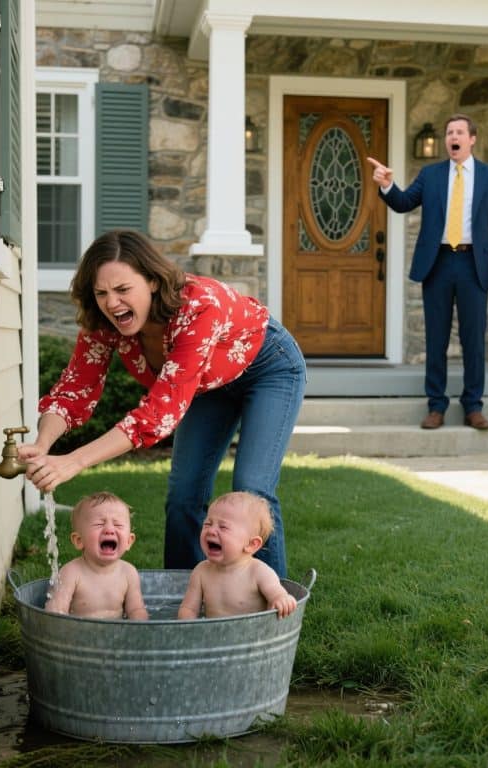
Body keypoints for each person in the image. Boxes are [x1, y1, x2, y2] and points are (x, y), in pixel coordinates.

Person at [19, 229, 306, 578]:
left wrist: (74, 461)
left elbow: (157, 415)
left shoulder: (198, 306)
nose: (112, 303)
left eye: (123, 290)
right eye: (102, 293)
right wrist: (42, 445)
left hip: (268, 368)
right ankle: (184, 602)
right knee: (184, 494)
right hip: (202, 386)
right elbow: (74, 389)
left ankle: (273, 609)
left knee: (251, 490)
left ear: (153, 282)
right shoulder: (104, 321)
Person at [367, 113, 488, 431]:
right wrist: (387, 185)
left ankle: (473, 406)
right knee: (436, 339)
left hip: (472, 263)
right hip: (438, 264)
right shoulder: (431, 174)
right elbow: (404, 202)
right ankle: (436, 406)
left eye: (459, 132)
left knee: (473, 339)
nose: (453, 137)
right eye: (449, 133)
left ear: (472, 139)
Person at [177, 491, 298, 619]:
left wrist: (281, 599)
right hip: (211, 636)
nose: (211, 530)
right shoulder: (201, 571)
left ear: (252, 544)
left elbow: (277, 594)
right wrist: (187, 627)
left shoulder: (259, 572)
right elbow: (189, 608)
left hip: (251, 636)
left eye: (223, 527)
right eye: (207, 524)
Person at [44, 491, 149, 620]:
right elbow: (56, 612)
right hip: (79, 636)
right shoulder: (71, 573)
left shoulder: (129, 573)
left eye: (117, 524)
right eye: (99, 524)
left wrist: (141, 630)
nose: (109, 530)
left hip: (117, 636)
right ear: (79, 541)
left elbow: (136, 609)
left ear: (129, 541)